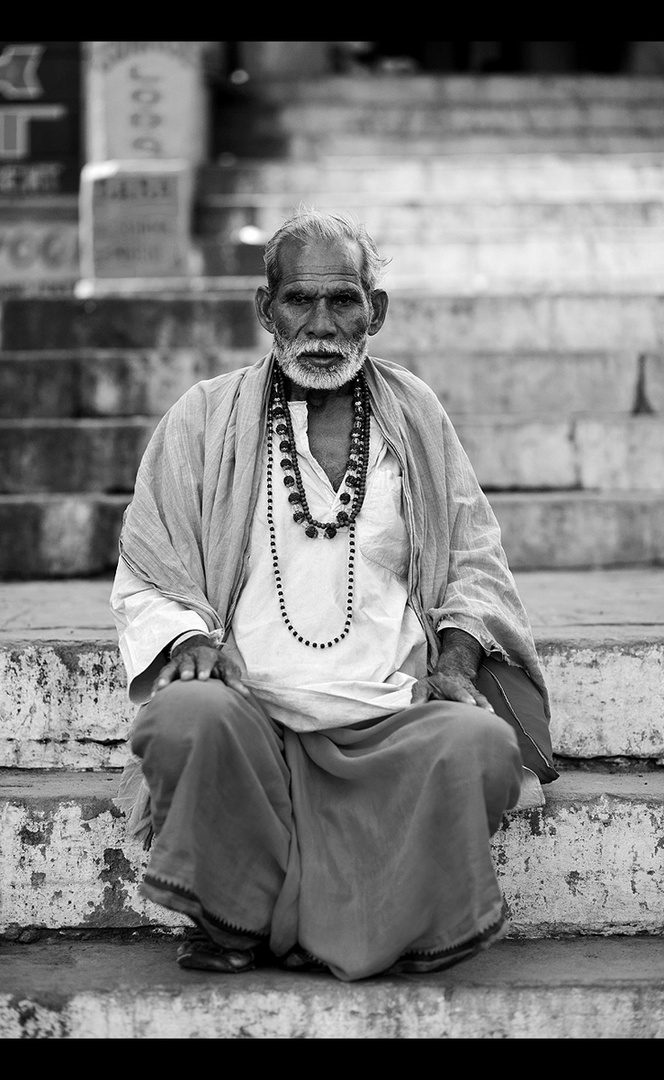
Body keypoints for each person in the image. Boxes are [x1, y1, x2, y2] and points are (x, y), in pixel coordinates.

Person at [111, 207, 558, 983]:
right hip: (251, 721)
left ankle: (383, 918)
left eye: (343, 300)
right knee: (184, 717)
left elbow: (476, 561)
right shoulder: (203, 418)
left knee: (483, 748)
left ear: (374, 311)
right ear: (266, 309)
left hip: (388, 720)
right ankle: (235, 913)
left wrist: (454, 661)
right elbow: (148, 566)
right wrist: (189, 641)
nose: (321, 324)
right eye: (299, 301)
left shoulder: (413, 414)